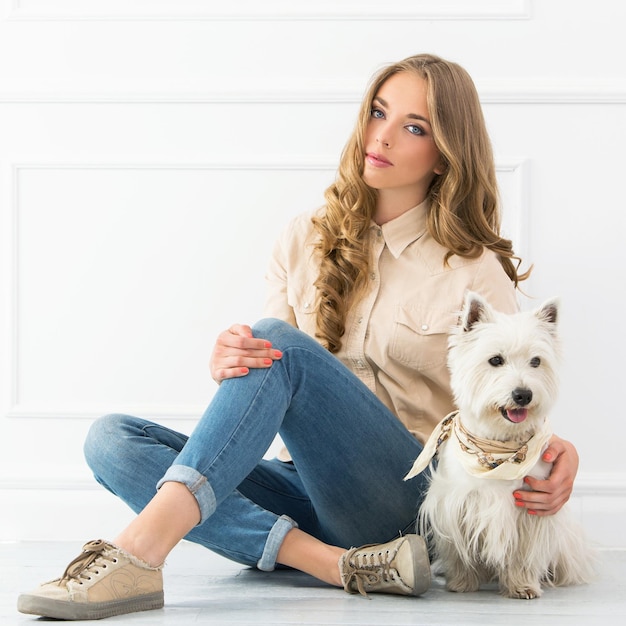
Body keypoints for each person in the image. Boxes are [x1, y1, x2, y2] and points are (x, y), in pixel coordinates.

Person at [17, 53, 579, 620]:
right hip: (302, 485)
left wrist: (562, 452)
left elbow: (511, 387)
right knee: (110, 441)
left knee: (277, 342)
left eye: (413, 127)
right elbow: (273, 369)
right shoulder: (302, 238)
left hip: (407, 492)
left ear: (444, 155)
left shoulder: (473, 269)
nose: (379, 137)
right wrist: (231, 361)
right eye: (377, 112)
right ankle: (338, 565)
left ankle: (137, 555)